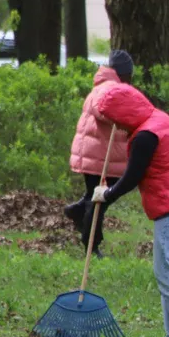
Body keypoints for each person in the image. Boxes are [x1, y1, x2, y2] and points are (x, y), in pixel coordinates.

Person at [89, 83, 169, 337]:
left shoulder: (145, 136)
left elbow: (132, 177)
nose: (115, 127)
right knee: (165, 271)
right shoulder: (157, 119)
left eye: (115, 121)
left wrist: (107, 195)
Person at [63, 50, 134, 256]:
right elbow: (100, 109)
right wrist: (119, 117)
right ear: (123, 73)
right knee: (100, 199)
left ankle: (78, 210)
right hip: (99, 155)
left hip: (95, 152)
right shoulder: (109, 88)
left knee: (96, 195)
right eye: (130, 75)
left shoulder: (105, 84)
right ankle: (91, 245)